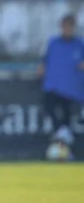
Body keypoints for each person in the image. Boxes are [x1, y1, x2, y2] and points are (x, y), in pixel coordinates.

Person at [39, 13, 84, 158]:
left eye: (70, 27)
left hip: (71, 89)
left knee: (67, 119)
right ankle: (62, 141)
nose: (67, 29)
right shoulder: (52, 43)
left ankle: (65, 151)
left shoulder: (79, 45)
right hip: (53, 86)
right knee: (49, 109)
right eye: (65, 26)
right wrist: (41, 67)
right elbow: (43, 60)